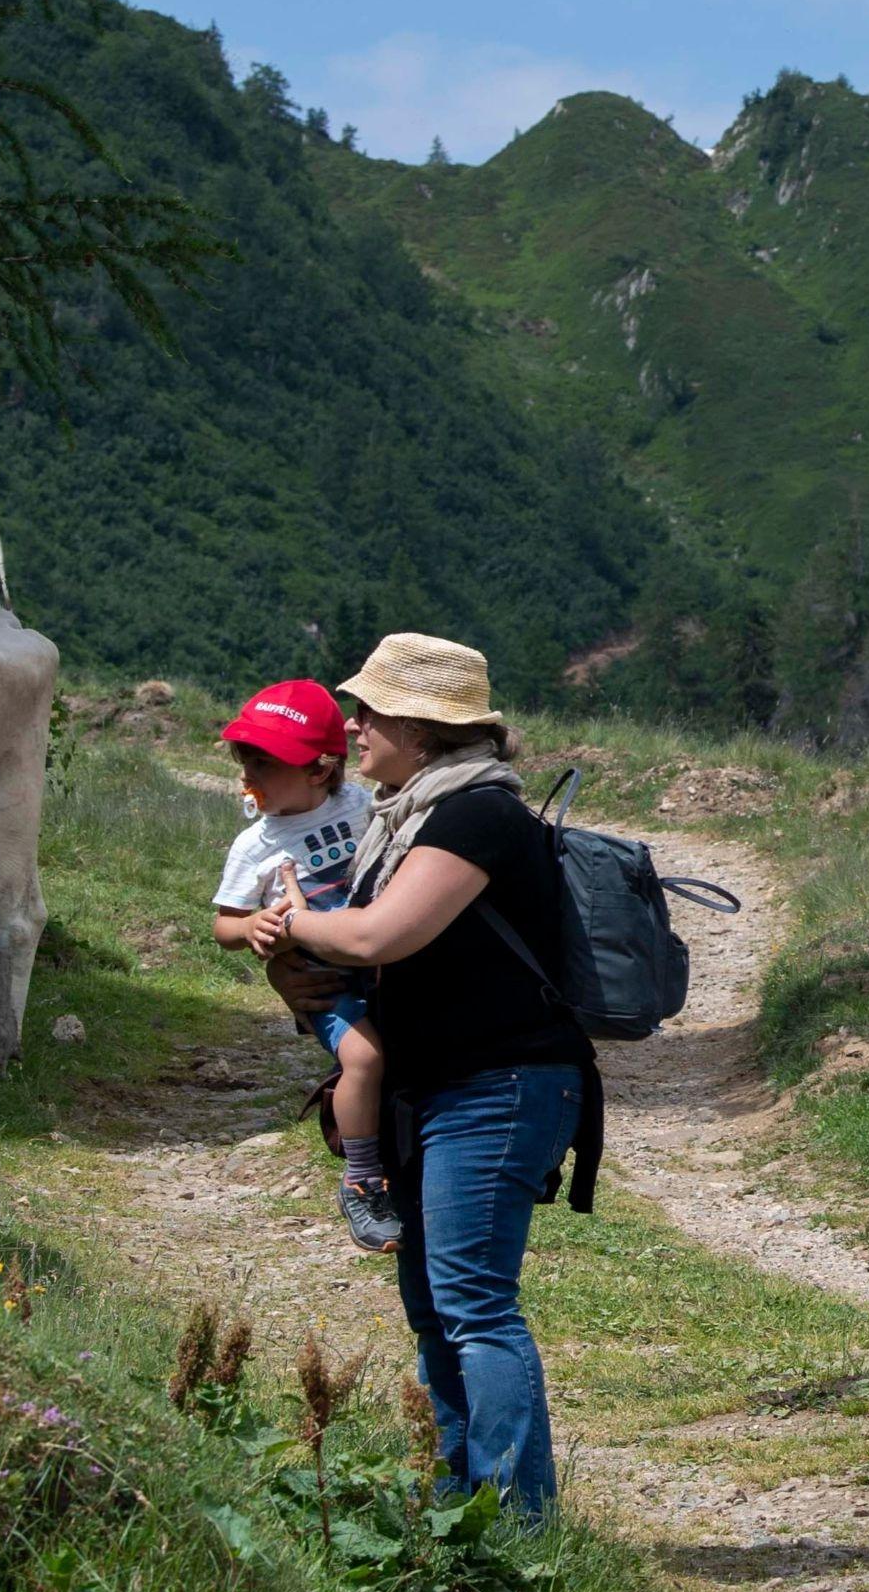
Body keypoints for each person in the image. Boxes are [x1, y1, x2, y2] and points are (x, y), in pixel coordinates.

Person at [248, 634, 594, 1521]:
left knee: (473, 1304)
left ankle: (517, 1523)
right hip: (432, 1087)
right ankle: (457, 1508)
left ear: (419, 726)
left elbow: (375, 938)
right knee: (436, 1309)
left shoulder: (477, 817)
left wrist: (292, 924)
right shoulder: (402, 814)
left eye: (369, 713)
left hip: (498, 1083)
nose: (354, 727)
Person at [209, 679, 394, 1252]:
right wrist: (253, 929)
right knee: (364, 1056)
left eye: (263, 765)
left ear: (319, 770)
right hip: (324, 977)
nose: (249, 778)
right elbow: (224, 925)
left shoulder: (364, 805)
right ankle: (362, 1178)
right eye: (245, 763)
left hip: (381, 956)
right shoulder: (255, 846)